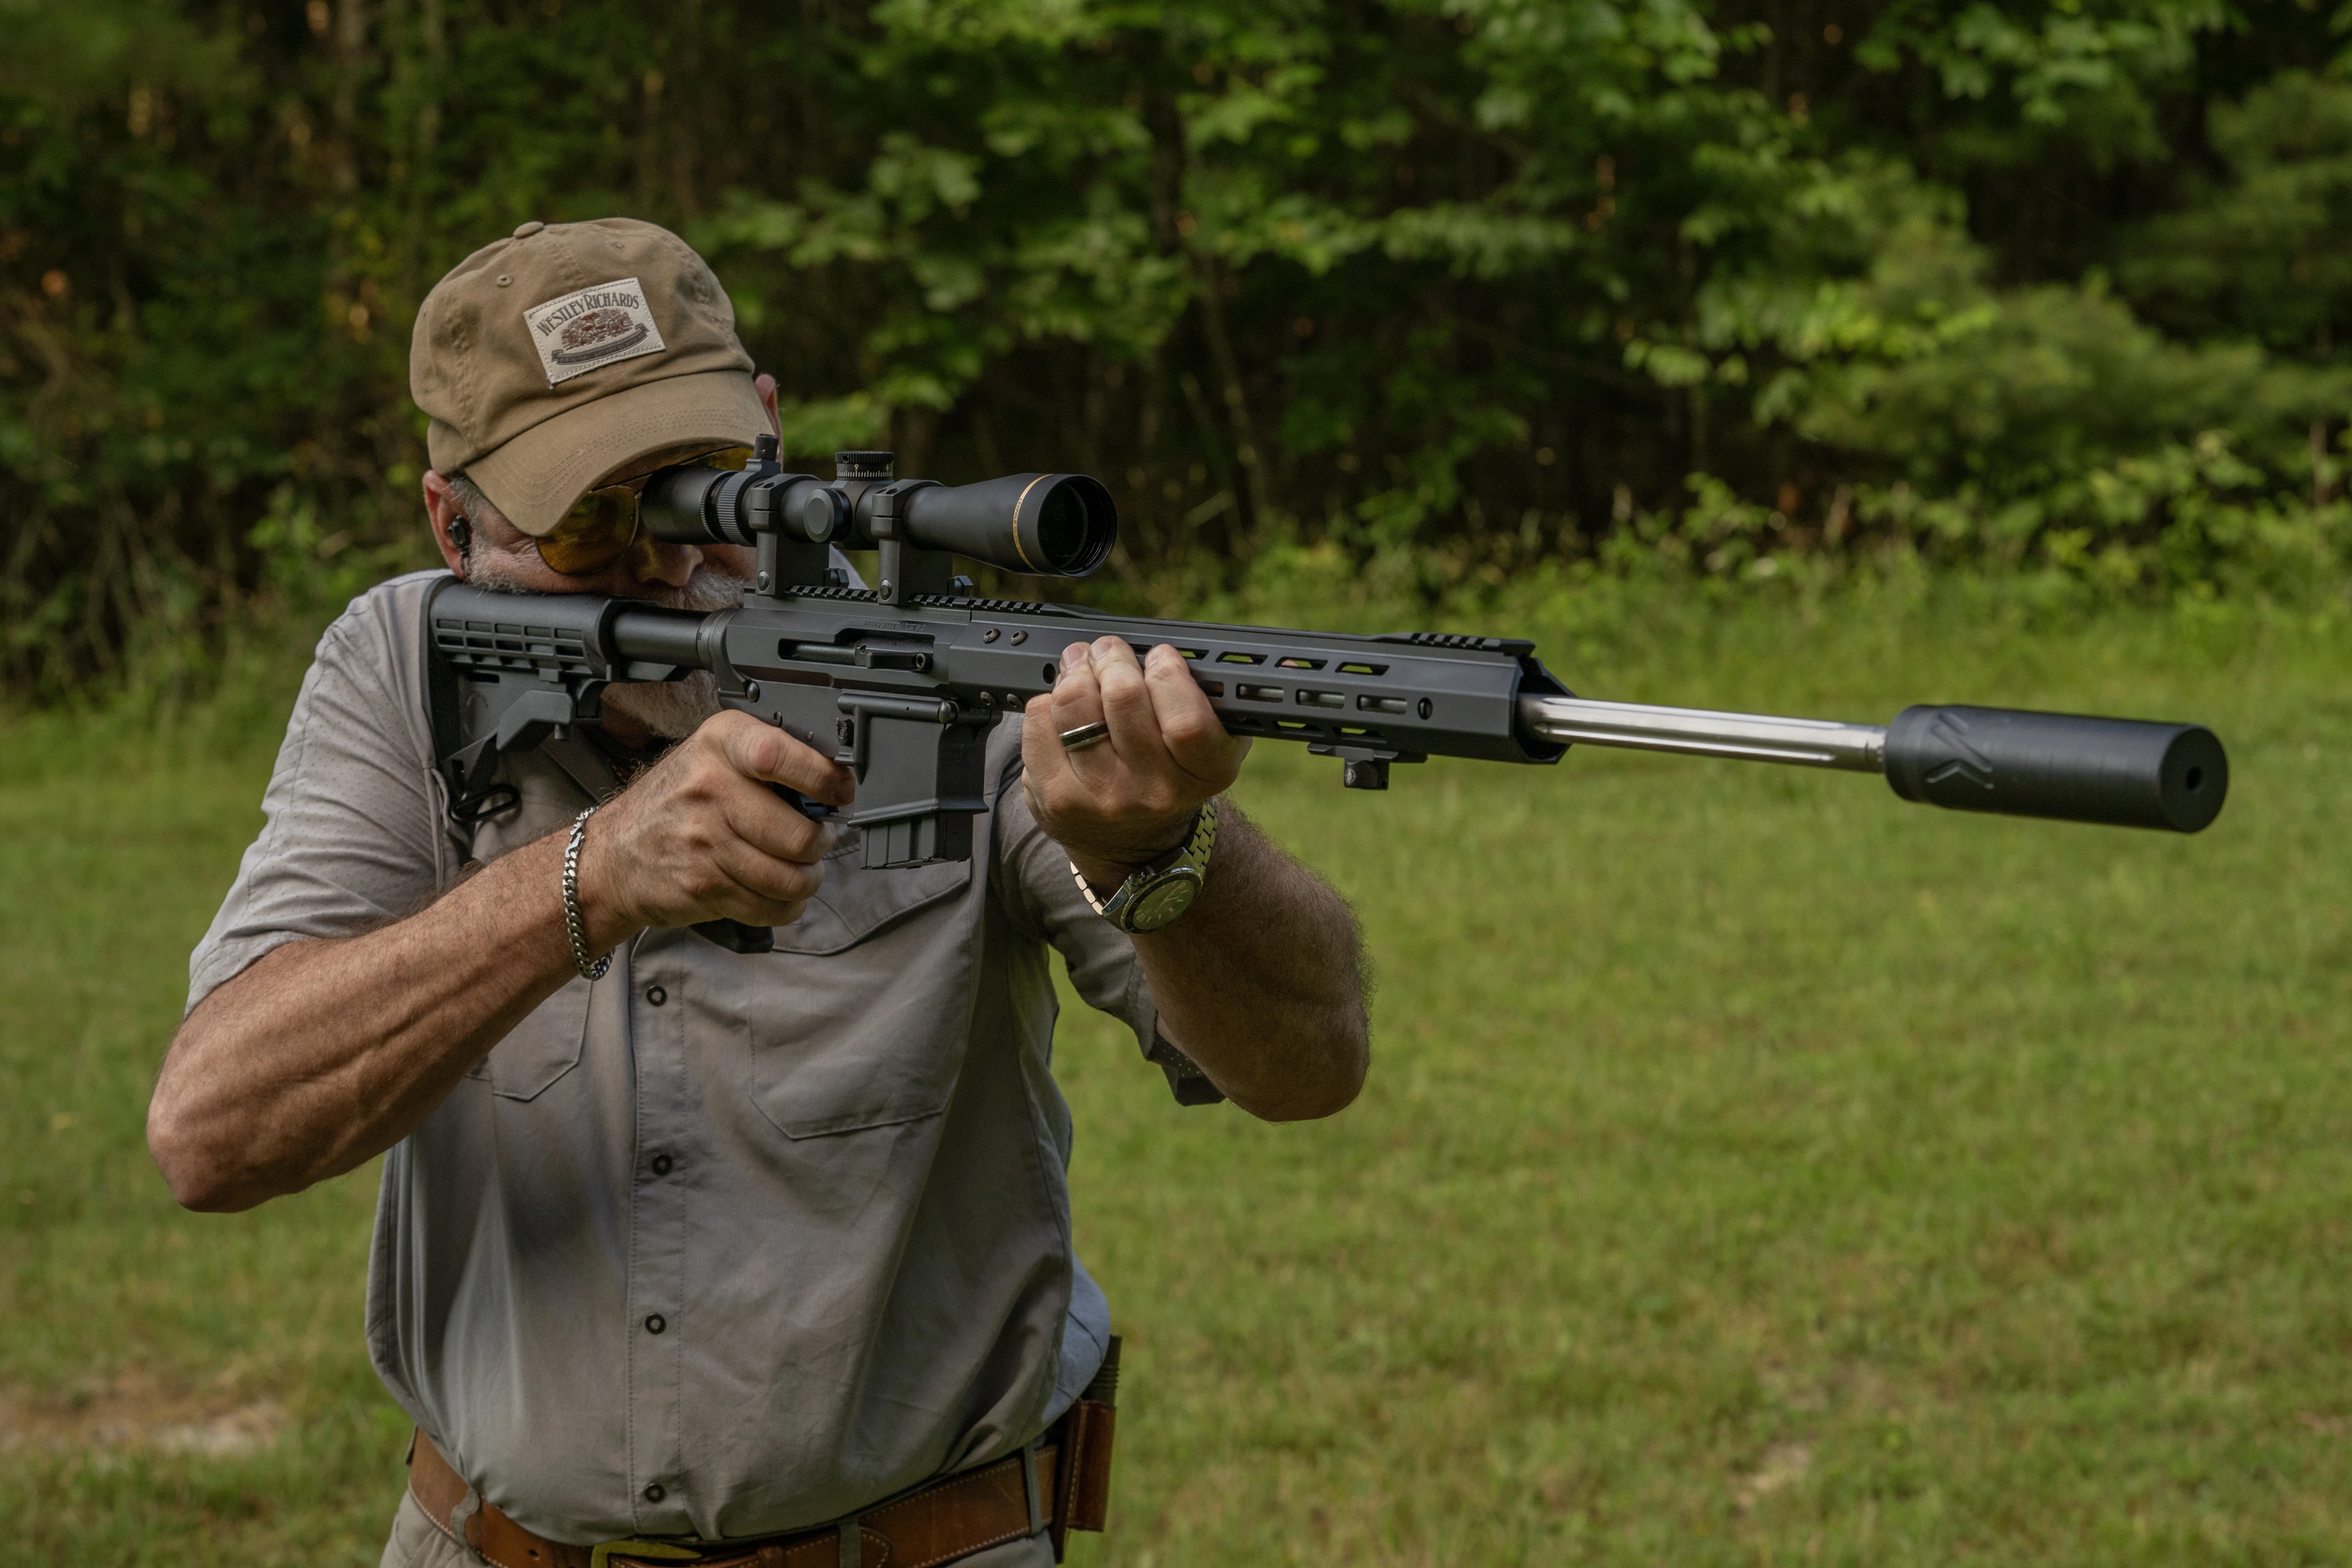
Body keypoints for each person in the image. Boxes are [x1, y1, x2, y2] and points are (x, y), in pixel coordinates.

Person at [145, 217, 1368, 1567]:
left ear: (772, 431)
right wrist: (589, 880)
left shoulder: (950, 672)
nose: (672, 560)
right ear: (455, 525)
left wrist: (1167, 858)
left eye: (706, 483)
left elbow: (1310, 1064)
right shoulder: (402, 666)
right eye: (595, 519)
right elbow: (215, 1131)